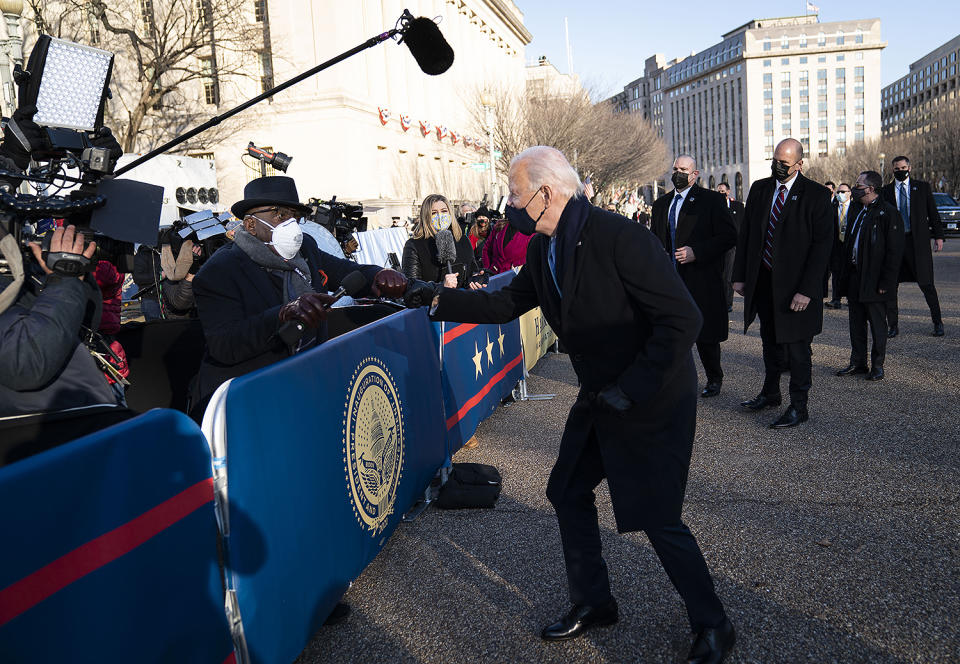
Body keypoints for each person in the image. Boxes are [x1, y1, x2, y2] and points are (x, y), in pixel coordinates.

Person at [404, 146, 735, 664]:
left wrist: (631, 388)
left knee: (658, 515)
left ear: (545, 193)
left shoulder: (620, 237)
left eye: (515, 194)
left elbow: (682, 320)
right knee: (567, 489)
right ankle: (594, 601)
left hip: (651, 395)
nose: (508, 204)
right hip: (601, 394)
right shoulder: (543, 247)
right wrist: (433, 298)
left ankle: (713, 623)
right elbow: (505, 303)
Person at [191, 176, 408, 419]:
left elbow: (345, 272)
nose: (291, 224)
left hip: (302, 388)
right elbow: (225, 345)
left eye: (295, 216)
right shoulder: (219, 271)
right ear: (251, 224)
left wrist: (378, 274)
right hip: (246, 405)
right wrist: (282, 315)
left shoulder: (306, 250)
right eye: (279, 215)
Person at [1, 224, 129, 463]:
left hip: (82, 431)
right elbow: (24, 361)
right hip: (49, 448)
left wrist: (72, 276)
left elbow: (80, 322)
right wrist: (66, 279)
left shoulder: (23, 277)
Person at [732, 138, 833, 429]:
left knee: (798, 349)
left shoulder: (816, 195)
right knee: (770, 341)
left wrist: (807, 290)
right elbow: (747, 234)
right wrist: (739, 275)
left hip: (796, 288)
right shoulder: (761, 189)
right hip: (764, 282)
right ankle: (771, 392)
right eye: (774, 161)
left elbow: (822, 247)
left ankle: (798, 406)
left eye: (784, 163)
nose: (778, 166)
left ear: (800, 164)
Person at [651, 155, 737, 398]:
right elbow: (656, 238)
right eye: (675, 168)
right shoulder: (661, 204)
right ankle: (674, 379)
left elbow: (728, 236)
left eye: (684, 169)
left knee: (706, 336)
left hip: (701, 278)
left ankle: (714, 377)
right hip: (669, 279)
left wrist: (696, 252)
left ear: (695, 174)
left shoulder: (711, 200)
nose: (678, 172)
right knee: (671, 332)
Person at [835, 171, 904, 382]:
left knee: (877, 324)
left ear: (871, 189)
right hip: (856, 276)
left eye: (858, 185)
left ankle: (877, 365)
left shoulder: (888, 213)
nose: (855, 189)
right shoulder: (858, 210)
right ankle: (858, 362)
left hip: (875, 280)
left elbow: (894, 252)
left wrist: (886, 282)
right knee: (856, 322)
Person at [882, 156, 945, 337]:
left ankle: (937, 322)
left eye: (903, 167)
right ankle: (892, 325)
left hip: (917, 244)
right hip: (894, 245)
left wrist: (938, 237)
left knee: (927, 284)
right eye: (896, 168)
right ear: (892, 170)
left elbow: (933, 214)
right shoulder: (886, 191)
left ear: (909, 168)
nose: (900, 171)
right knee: (891, 286)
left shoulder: (922, 187)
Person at [402, 194, 481, 288]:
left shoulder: (462, 240)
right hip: (436, 302)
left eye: (444, 211)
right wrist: (440, 287)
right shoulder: (414, 245)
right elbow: (412, 288)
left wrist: (477, 278)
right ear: (426, 217)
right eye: (434, 213)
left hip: (464, 300)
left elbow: (472, 271)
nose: (440, 216)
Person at [716, 182, 744, 311]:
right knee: (717, 274)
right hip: (716, 246)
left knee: (728, 275)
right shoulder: (713, 206)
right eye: (718, 191)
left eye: (722, 191)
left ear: (728, 192)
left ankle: (727, 303)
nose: (720, 193)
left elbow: (742, 225)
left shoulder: (737, 206)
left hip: (732, 246)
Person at [483, 206, 533, 274]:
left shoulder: (530, 233)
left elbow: (532, 259)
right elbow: (487, 249)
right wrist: (487, 270)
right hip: (493, 275)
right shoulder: (499, 226)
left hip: (513, 278)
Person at [825, 183, 852, 309]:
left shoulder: (855, 207)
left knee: (851, 273)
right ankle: (836, 299)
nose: (841, 194)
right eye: (839, 192)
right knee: (836, 273)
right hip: (836, 245)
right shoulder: (831, 207)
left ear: (850, 193)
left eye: (844, 192)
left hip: (850, 245)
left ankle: (851, 298)